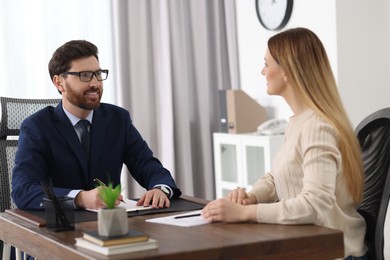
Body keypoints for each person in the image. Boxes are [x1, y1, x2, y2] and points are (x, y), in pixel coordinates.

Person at [201, 28, 367, 259]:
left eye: (267, 64)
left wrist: (246, 212)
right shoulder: (301, 122)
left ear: (287, 70)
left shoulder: (317, 127)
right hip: (311, 245)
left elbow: (315, 204)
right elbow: (278, 175)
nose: (263, 71)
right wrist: (253, 196)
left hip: (335, 252)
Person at [12, 40, 181, 211]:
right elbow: (23, 191)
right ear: (59, 83)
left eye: (98, 74)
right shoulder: (37, 126)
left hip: (111, 226)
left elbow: (148, 166)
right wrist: (79, 198)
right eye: (85, 75)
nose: (95, 83)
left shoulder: (118, 119)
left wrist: (160, 188)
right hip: (61, 228)